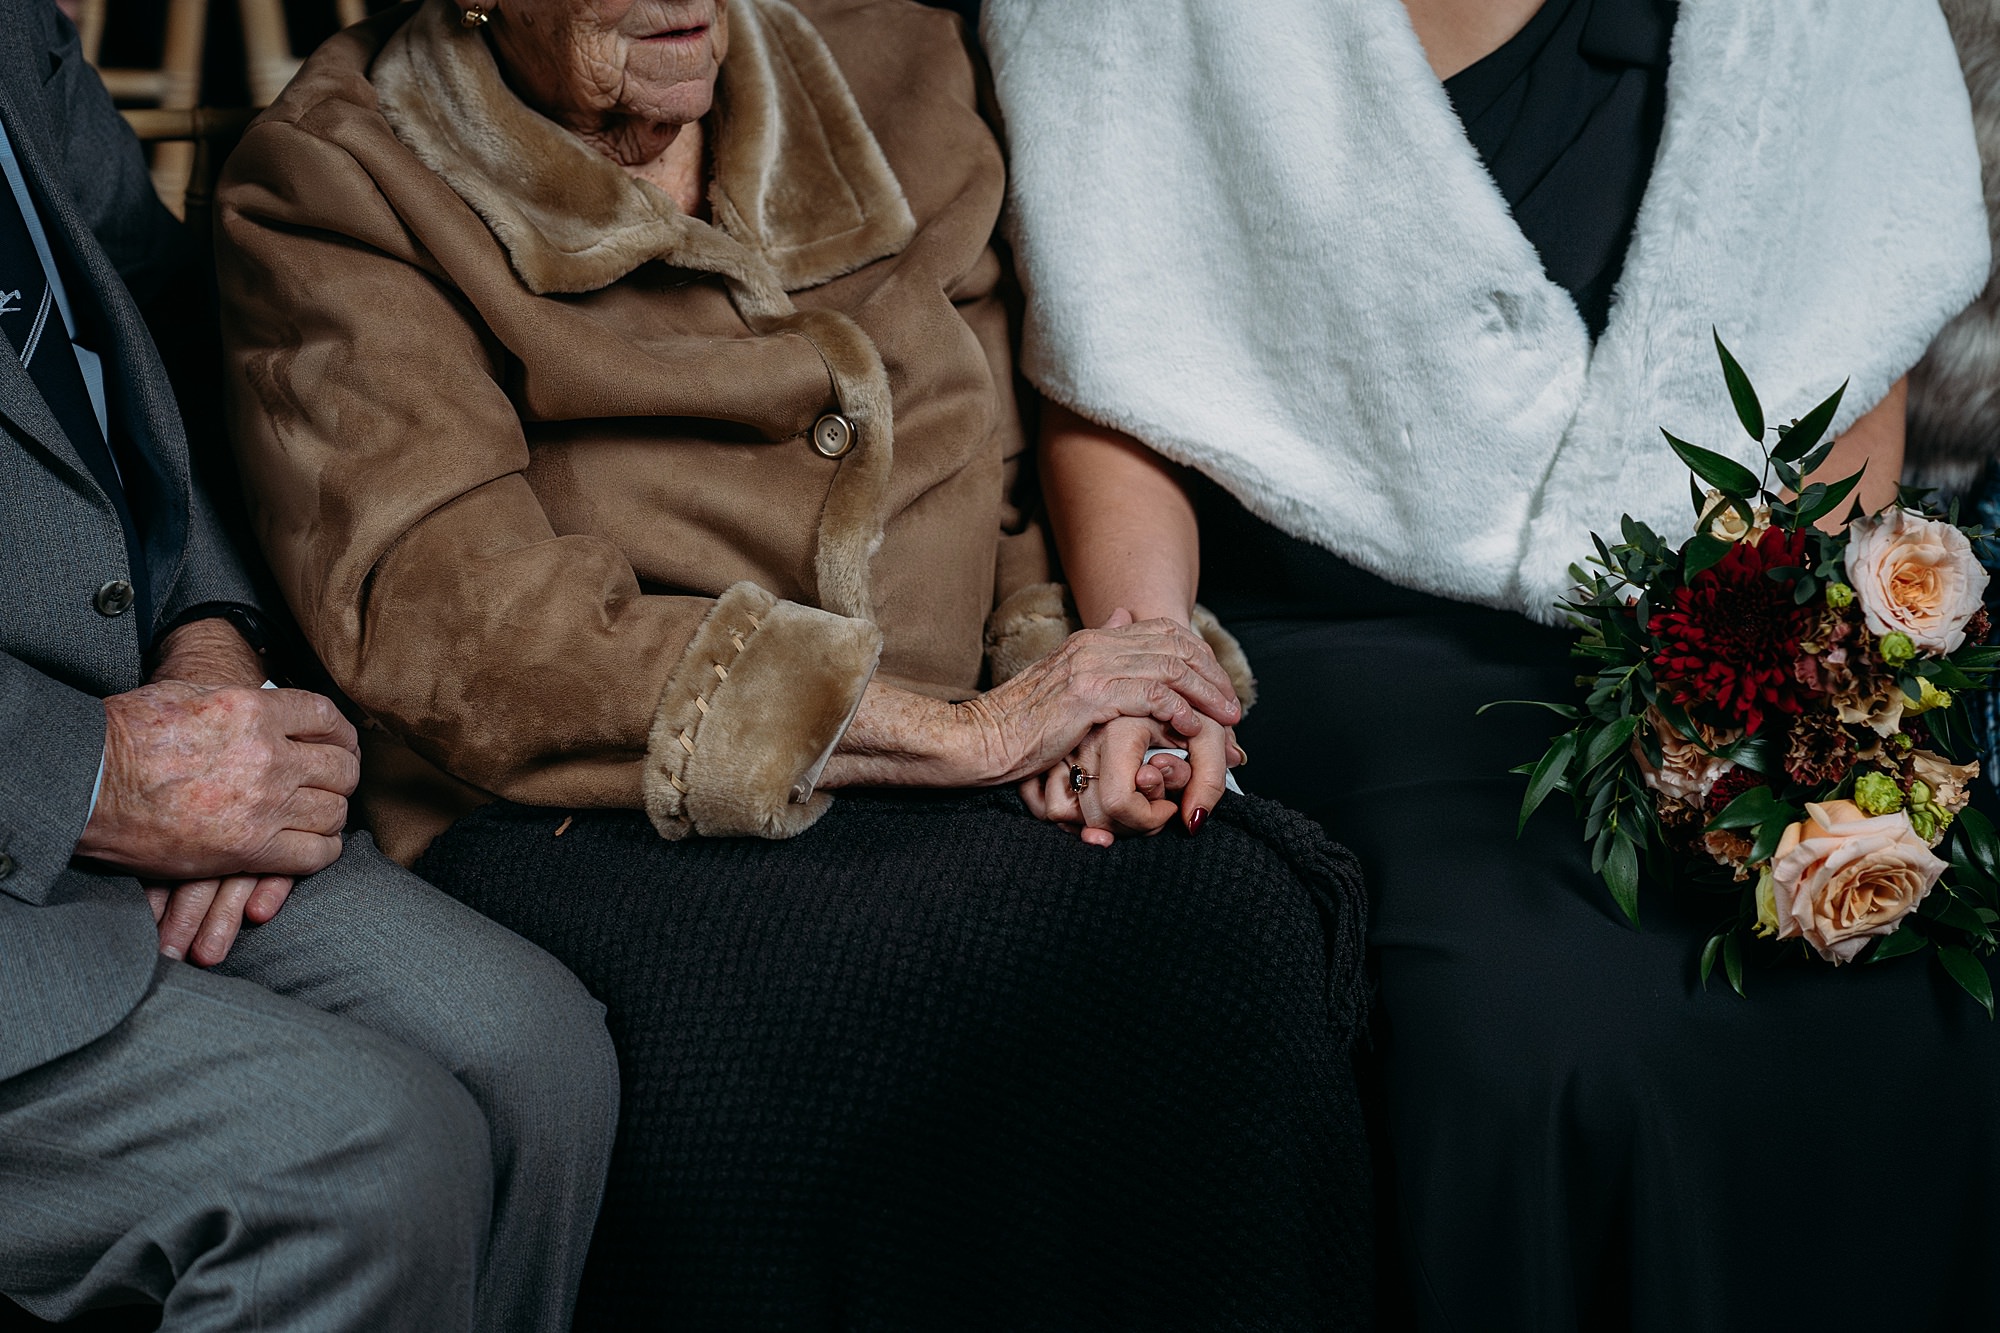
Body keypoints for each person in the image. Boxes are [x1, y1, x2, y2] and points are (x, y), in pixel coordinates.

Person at [214, 0, 1373, 1326]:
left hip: (951, 765)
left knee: (1225, 917)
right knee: (866, 1040)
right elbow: (461, 625)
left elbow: (999, 483)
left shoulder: (896, 62)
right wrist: (970, 738)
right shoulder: (333, 176)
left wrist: (1095, 697)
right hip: (588, 819)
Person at [985, 0, 2000, 1328]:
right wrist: (1144, 655)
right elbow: (1112, 371)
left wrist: (1816, 671)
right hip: (1337, 642)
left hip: (1693, 632)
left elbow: (1849, 332)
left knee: (1914, 999)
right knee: (1551, 1047)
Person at [0, 3, 619, 1328]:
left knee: (540, 1056)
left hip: (131, 725)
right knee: (366, 1162)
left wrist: (210, 647)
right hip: (36, 788)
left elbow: (164, 346)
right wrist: (99, 774)